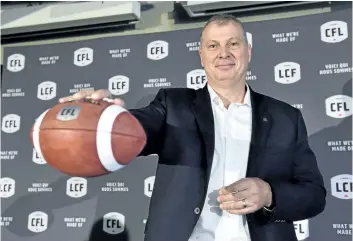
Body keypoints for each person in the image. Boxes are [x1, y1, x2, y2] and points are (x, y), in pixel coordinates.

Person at [59, 14, 326, 241]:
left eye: (233, 43)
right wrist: (103, 116)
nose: (224, 53)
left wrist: (269, 194)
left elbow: (313, 195)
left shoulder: (285, 117)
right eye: (213, 46)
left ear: (248, 51)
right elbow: (133, 129)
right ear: (201, 56)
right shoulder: (173, 105)